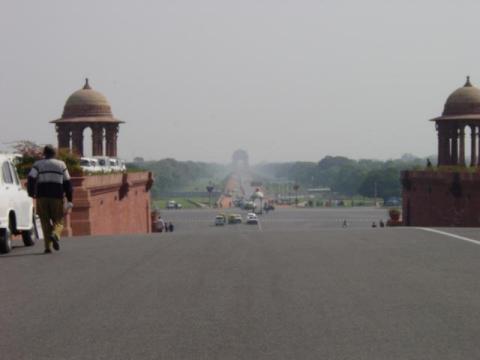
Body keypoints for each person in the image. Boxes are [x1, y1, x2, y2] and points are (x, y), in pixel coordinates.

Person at [27, 145, 73, 254]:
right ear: (54, 154)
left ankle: (48, 247)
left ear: (44, 153)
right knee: (59, 220)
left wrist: (31, 192)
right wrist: (70, 199)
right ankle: (55, 234)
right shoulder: (61, 164)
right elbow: (67, 183)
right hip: (56, 197)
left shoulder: (37, 164)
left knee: (45, 222)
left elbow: (31, 178)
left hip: (41, 197)